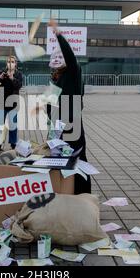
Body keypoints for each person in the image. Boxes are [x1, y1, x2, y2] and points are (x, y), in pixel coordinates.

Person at [47, 19, 89, 194]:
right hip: (59, 126)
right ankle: (67, 193)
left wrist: (58, 34)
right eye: (55, 57)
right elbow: (49, 101)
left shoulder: (73, 70)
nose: (57, 59)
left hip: (73, 125)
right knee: (62, 160)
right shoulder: (56, 77)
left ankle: (83, 194)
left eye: (60, 56)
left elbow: (69, 55)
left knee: (77, 160)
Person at [0, 55, 23, 149]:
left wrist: (12, 78)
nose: (10, 63)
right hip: (1, 102)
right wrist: (0, 78)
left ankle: (13, 143)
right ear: (6, 63)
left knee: (13, 125)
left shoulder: (18, 74)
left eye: (12, 62)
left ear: (15, 64)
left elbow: (19, 85)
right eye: (8, 61)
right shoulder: (1, 72)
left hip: (13, 103)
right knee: (0, 125)